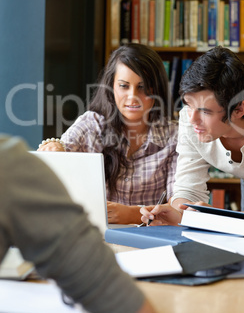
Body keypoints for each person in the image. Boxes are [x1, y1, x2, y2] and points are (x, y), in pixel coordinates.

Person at [0, 135, 155, 313]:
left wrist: (132, 213)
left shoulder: (9, 164)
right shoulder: (10, 164)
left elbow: (180, 198)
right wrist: (54, 144)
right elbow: (65, 143)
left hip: (140, 233)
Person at [38, 43, 178, 225]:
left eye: (143, 87)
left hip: (151, 244)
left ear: (157, 88)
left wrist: (131, 214)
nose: (132, 96)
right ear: (112, 86)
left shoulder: (174, 136)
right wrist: (54, 147)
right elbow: (63, 147)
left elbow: (177, 211)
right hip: (96, 241)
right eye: (124, 86)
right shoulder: (92, 124)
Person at [140, 46, 244, 226]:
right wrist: (181, 212)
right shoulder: (189, 117)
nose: (192, 119)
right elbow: (187, 188)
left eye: (205, 111)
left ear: (239, 109)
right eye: (188, 105)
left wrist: (222, 219)